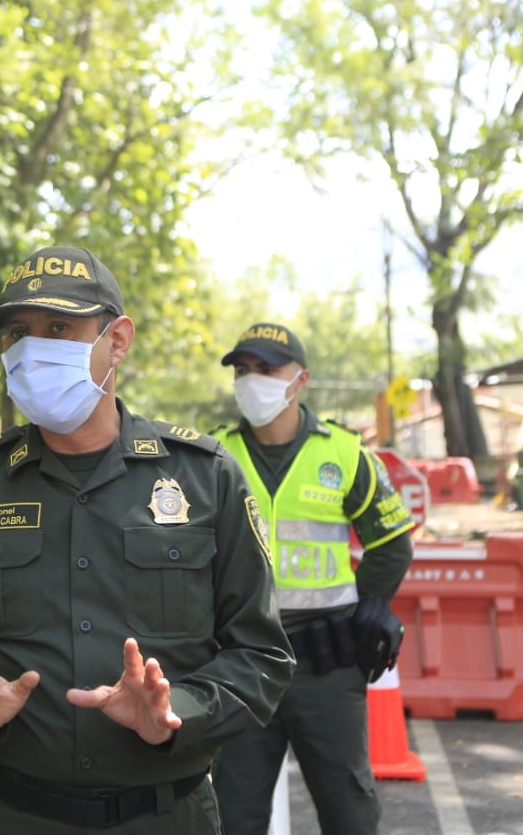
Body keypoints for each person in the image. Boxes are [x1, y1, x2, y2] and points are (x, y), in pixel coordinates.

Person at [0, 245, 295, 833]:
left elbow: (261, 656)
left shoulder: (205, 477)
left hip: (166, 817)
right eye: (17, 332)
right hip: (14, 815)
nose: (32, 348)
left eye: (59, 327)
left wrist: (176, 711)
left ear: (117, 340)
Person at [210, 322, 415, 835]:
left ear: (300, 380)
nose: (251, 380)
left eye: (266, 369)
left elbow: (392, 539)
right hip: (238, 661)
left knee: (347, 806)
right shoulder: (211, 456)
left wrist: (371, 602)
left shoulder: (345, 454)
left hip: (325, 661)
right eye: (243, 370)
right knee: (233, 811)